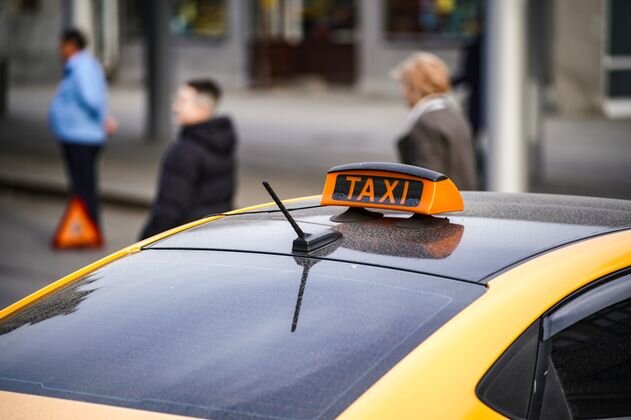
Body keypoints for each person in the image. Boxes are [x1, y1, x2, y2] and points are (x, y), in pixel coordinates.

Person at [140, 79, 237, 239]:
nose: (175, 107)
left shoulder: (184, 151)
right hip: (216, 234)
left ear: (203, 109)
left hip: (186, 238)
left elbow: (169, 209)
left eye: (182, 101)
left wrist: (145, 242)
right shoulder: (222, 141)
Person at [49, 28, 116, 228]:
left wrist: (105, 119)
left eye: (61, 44)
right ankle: (84, 227)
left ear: (71, 45)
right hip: (80, 134)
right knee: (83, 186)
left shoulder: (81, 67)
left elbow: (92, 99)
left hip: (81, 136)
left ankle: (88, 228)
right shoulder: (82, 65)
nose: (59, 49)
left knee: (83, 187)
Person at [392, 52, 478, 190]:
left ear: (414, 87)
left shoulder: (426, 125)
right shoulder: (455, 116)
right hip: (463, 199)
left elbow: (427, 183)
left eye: (403, 85)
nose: (402, 93)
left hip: (443, 202)